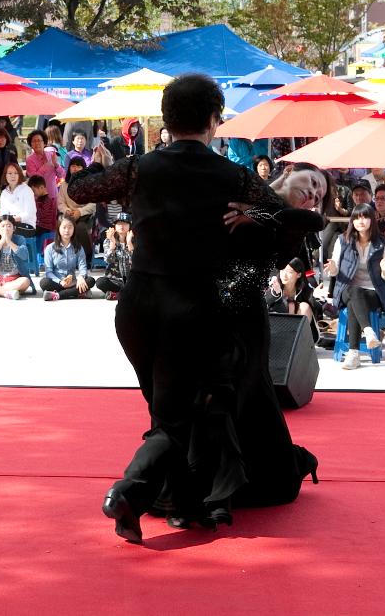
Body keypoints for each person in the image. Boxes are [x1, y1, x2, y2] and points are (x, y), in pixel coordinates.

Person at [67, 73, 303, 542]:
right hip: (190, 309)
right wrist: (250, 215)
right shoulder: (233, 176)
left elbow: (79, 191)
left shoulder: (139, 168)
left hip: (136, 307)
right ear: (215, 120)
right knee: (175, 419)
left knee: (165, 409)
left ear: (166, 119)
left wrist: (110, 170)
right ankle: (128, 494)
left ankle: (178, 501)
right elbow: (287, 216)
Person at [323, 203, 385, 369]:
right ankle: (369, 331)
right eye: (356, 218)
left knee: (354, 301)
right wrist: (333, 269)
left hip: (373, 292)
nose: (360, 221)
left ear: (372, 219)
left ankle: (353, 353)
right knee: (353, 290)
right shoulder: (343, 240)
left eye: (364, 217)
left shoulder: (382, 242)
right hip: (346, 290)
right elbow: (334, 271)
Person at [41, 214, 93, 301]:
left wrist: (81, 277)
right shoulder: (50, 248)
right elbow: (49, 272)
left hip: (73, 282)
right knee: (44, 283)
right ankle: (78, 292)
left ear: (74, 229)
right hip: (58, 282)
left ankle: (57, 295)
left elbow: (82, 266)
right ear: (59, 228)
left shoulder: (78, 247)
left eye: (70, 227)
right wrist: (60, 281)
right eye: (64, 227)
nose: (67, 230)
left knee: (90, 280)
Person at [266, 258, 318, 334]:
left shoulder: (305, 287)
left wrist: (317, 297)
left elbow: (318, 308)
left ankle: (297, 341)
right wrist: (275, 293)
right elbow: (264, 302)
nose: (284, 275)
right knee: (289, 305)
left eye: (289, 272)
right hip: (275, 327)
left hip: (297, 329)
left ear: (299, 274)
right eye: (282, 270)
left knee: (304, 307)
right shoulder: (274, 283)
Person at [96, 213, 133, 298]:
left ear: (130, 225)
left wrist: (129, 243)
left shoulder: (136, 240)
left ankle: (117, 294)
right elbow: (108, 260)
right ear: (115, 226)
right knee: (100, 282)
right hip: (116, 280)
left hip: (132, 280)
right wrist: (113, 243)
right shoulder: (108, 240)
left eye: (125, 223)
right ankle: (125, 293)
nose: (121, 226)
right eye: (119, 223)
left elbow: (138, 261)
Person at [25, 129, 65, 204]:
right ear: (31, 144)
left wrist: (56, 165)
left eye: (39, 140)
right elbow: (34, 178)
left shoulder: (51, 154)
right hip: (38, 197)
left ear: (44, 143)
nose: (37, 143)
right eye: (34, 141)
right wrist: (45, 166)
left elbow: (62, 175)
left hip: (53, 195)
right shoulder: (29, 160)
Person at [0, 162, 37, 240]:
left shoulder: (26, 190)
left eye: (16, 173)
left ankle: (7, 251)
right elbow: (3, 214)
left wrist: (12, 219)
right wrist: (8, 221)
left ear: (20, 175)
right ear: (5, 176)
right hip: (9, 224)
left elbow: (29, 213)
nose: (13, 176)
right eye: (10, 173)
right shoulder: (4, 193)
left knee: (7, 230)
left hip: (27, 225)